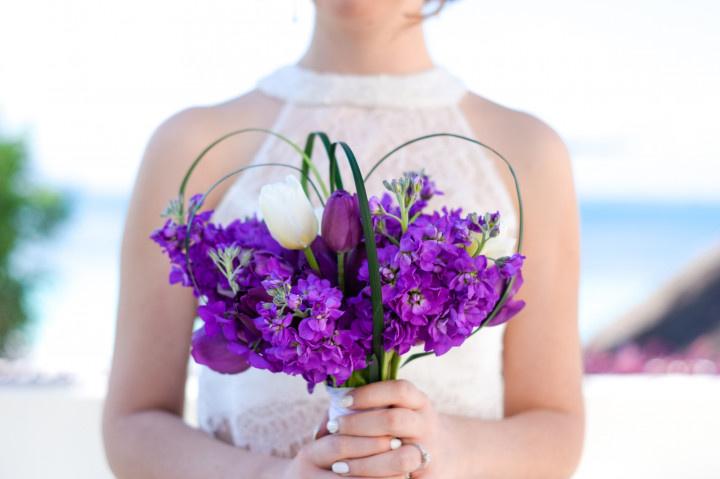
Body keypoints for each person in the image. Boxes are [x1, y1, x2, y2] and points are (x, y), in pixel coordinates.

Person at [102, 1, 584, 477]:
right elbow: (133, 423)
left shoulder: (528, 153)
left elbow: (556, 428)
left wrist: (444, 447)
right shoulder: (192, 144)